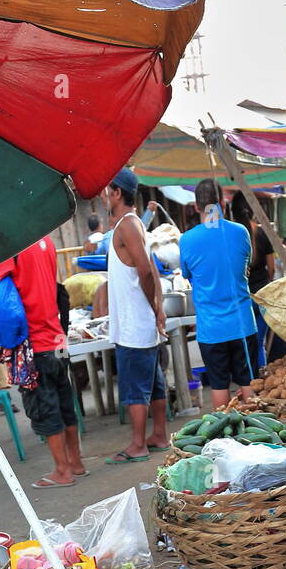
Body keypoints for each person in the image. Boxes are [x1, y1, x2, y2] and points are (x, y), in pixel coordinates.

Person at [0, 239, 85, 487]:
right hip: (58, 340)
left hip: (36, 345)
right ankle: (76, 464)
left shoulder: (10, 247)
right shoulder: (46, 241)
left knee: (45, 406)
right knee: (65, 402)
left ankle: (62, 471)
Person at [102, 167, 169, 463]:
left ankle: (138, 444)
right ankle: (159, 436)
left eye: (107, 190)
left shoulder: (128, 226)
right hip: (141, 321)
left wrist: (155, 307)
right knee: (153, 383)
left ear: (117, 193)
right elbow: (150, 267)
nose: (104, 195)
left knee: (134, 389)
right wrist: (158, 308)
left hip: (134, 323)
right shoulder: (133, 224)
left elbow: (145, 271)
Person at [179, 180, 258, 408]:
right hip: (242, 323)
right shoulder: (240, 231)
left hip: (211, 329)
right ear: (223, 202)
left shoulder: (187, 239)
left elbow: (188, 274)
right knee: (250, 382)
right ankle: (259, 431)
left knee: (219, 384)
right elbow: (245, 265)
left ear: (196, 206)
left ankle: (224, 438)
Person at [230, 190, 275, 368]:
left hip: (242, 296)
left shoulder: (232, 236)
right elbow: (271, 267)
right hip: (263, 294)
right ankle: (261, 378)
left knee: (244, 343)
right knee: (259, 342)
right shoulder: (262, 233)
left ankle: (247, 381)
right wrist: (267, 284)